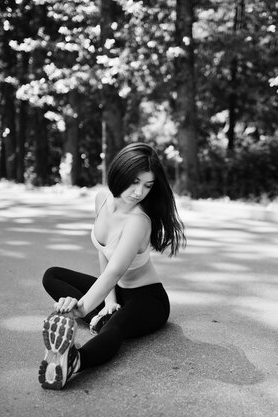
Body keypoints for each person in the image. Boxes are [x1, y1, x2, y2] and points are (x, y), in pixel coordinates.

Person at [38, 142, 186, 390]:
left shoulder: (138, 221)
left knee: (116, 328)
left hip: (148, 300)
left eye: (147, 185)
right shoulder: (102, 199)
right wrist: (108, 301)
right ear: (120, 173)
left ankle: (74, 361)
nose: (139, 192)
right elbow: (104, 253)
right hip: (116, 291)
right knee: (52, 275)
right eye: (134, 181)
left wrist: (80, 309)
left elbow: (115, 271)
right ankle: (102, 316)